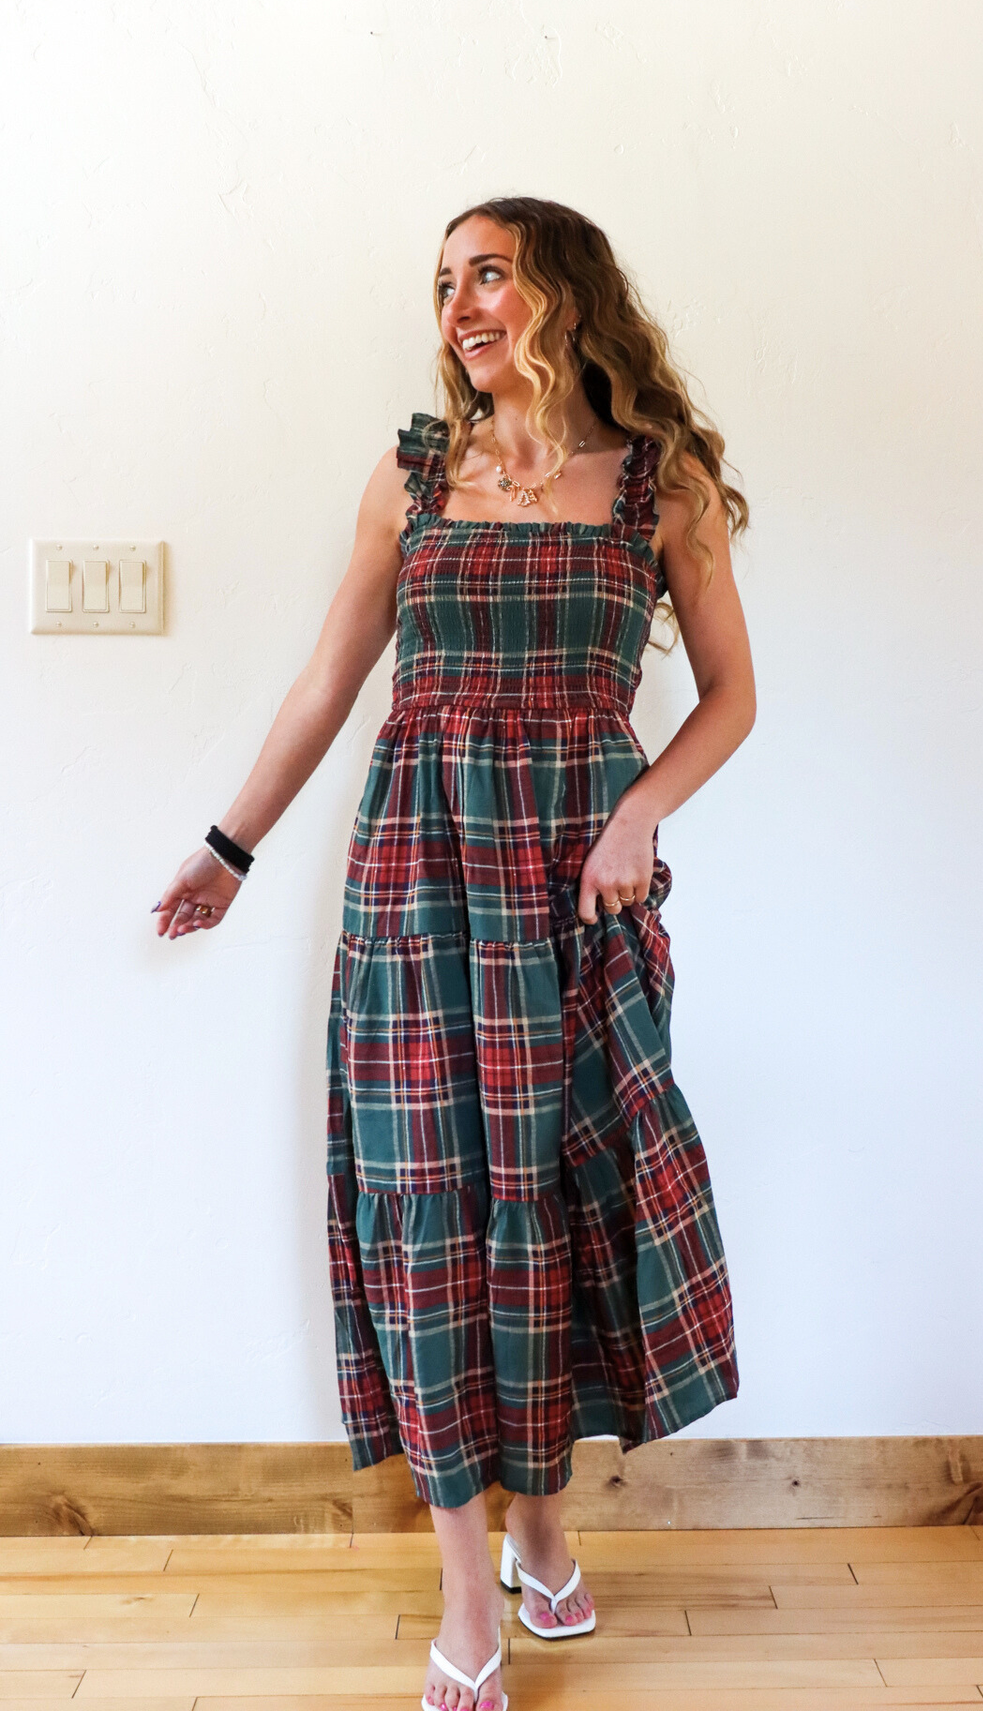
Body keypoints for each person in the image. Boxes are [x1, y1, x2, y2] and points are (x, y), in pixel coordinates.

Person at [152, 195, 755, 1711]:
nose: (459, 303)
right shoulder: (413, 476)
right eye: (442, 283)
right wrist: (231, 848)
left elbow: (734, 697)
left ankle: (542, 1535)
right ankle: (465, 1599)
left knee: (546, 1200)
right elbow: (326, 683)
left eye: (489, 270)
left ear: (564, 290)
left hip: (576, 895)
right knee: (430, 1208)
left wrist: (639, 813)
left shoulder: (657, 485)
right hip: (417, 885)